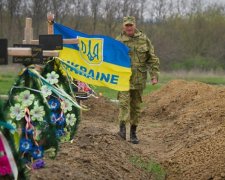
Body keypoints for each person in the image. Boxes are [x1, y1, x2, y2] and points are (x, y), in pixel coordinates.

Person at [116, 16, 160, 144]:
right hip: (123, 79)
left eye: (131, 25)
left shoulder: (144, 40)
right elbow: (112, 59)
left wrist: (154, 75)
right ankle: (122, 131)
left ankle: (133, 133)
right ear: (123, 26)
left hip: (139, 80)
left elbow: (152, 58)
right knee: (123, 104)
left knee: (135, 107)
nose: (129, 28)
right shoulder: (118, 41)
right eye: (126, 26)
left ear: (134, 25)